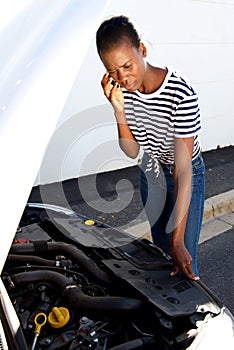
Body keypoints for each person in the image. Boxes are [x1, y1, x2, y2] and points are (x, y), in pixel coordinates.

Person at [96, 15, 205, 280]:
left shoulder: (181, 93)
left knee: (183, 257)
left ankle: (200, 314)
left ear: (142, 50)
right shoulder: (125, 93)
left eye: (127, 65)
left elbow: (183, 171)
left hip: (185, 173)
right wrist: (119, 110)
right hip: (152, 174)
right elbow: (132, 151)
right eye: (113, 72)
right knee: (162, 256)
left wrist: (177, 241)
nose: (122, 77)